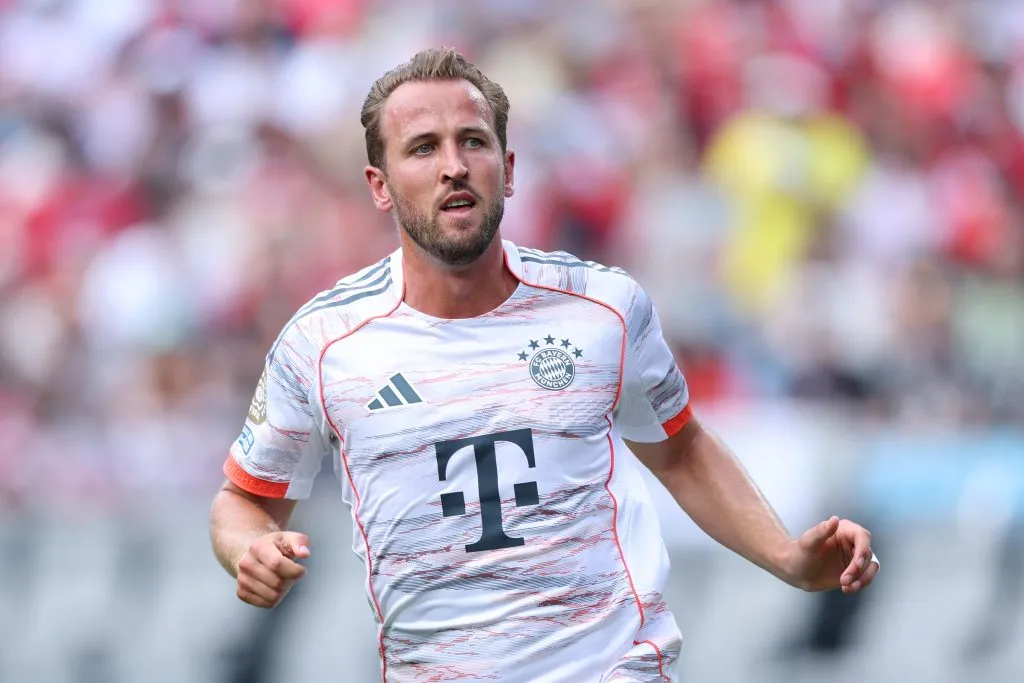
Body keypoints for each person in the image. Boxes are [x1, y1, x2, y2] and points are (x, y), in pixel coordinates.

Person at [209, 47, 880, 682]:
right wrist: (250, 549)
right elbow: (244, 500)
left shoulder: (603, 310)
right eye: (424, 148)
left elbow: (682, 452)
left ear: (508, 167)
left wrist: (787, 557)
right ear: (379, 187)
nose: (454, 166)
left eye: (473, 141)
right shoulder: (322, 343)